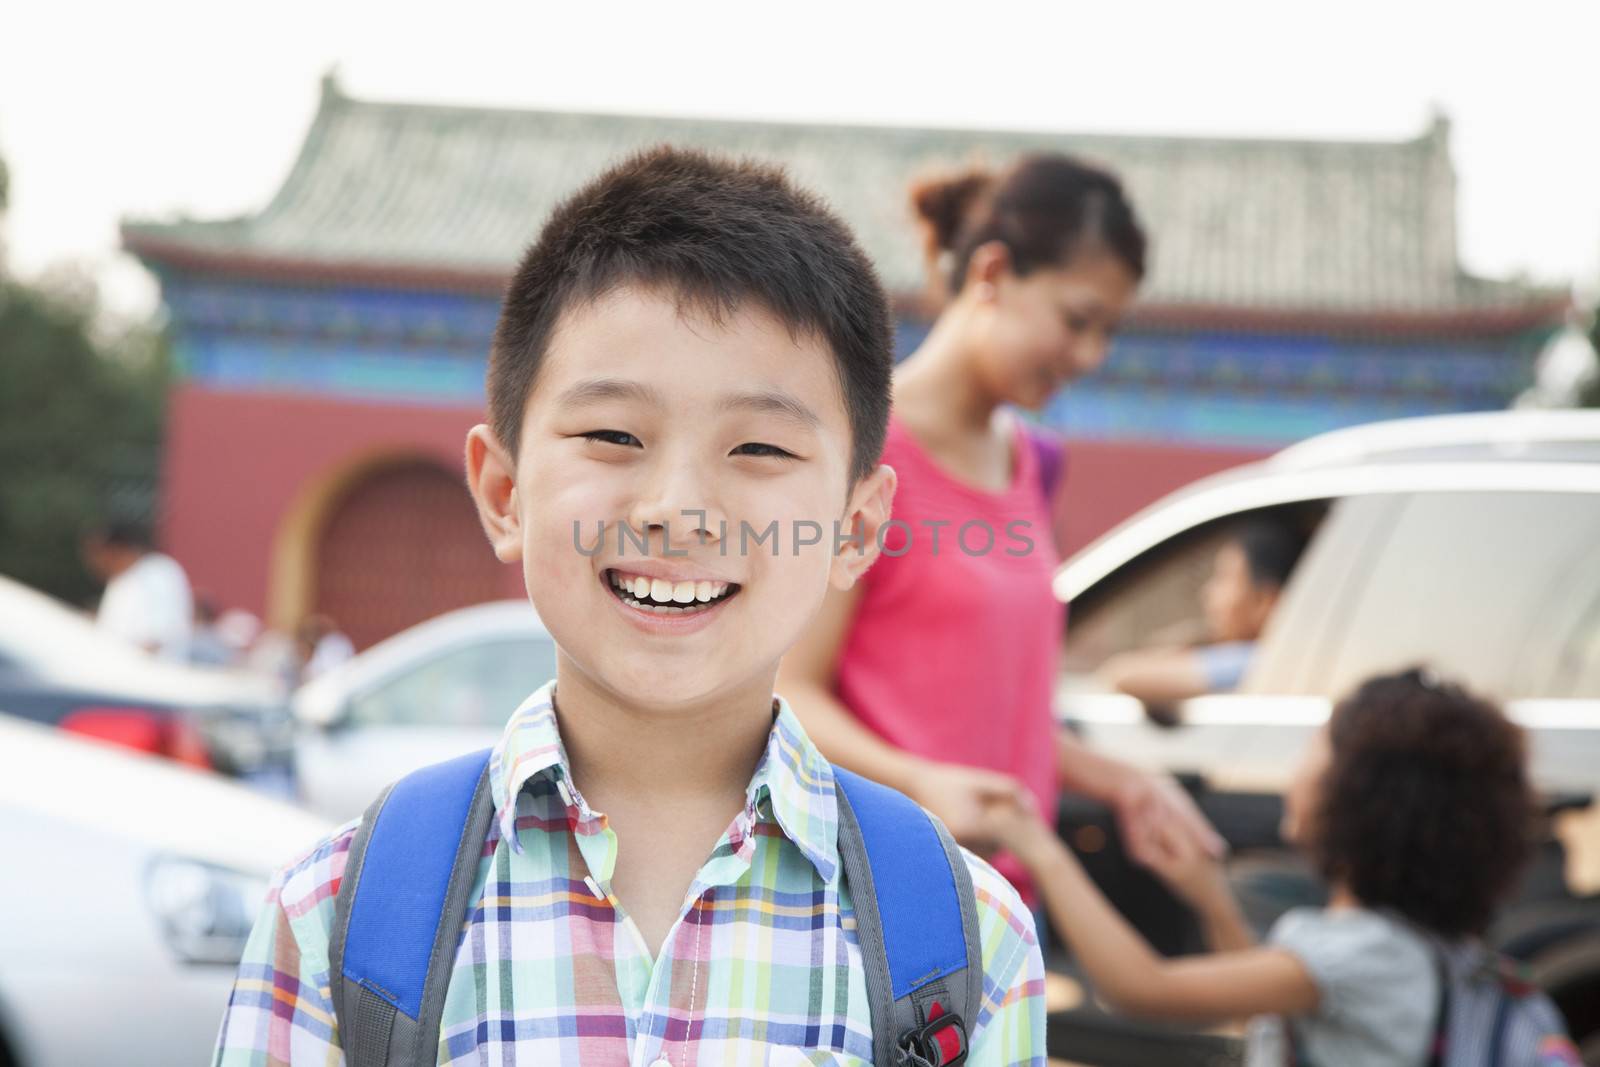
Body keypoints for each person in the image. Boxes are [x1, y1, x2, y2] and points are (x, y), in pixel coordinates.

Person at [214, 147, 1045, 1064]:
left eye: (760, 448)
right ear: (503, 492)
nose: (677, 509)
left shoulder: (966, 945)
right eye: (613, 434)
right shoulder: (337, 921)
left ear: (853, 527)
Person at [779, 154, 1222, 899]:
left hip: (1010, 903)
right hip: (888, 898)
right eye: (1077, 320)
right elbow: (790, 694)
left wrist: (1126, 782)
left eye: (1107, 332)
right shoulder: (863, 451)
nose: (1090, 356)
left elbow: (994, 713)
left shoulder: (1036, 462)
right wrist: (920, 782)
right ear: (992, 274)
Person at [984, 669, 1580, 1066]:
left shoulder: (1365, 955)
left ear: (1362, 799)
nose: (1295, 774)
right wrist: (1210, 895)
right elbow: (1261, 1008)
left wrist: (1039, 848)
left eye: (1315, 756)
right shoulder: (1419, 948)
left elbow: (1143, 989)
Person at [1099, 519, 1307, 705]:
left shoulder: (1255, 660)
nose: (1207, 593)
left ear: (1264, 601)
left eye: (1224, 579)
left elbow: (1122, 675)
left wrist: (1198, 642)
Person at [83, 518, 193, 661]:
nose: (94, 564)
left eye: (97, 555)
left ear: (115, 550)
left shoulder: (158, 572)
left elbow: (157, 638)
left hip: (150, 676)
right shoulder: (120, 581)